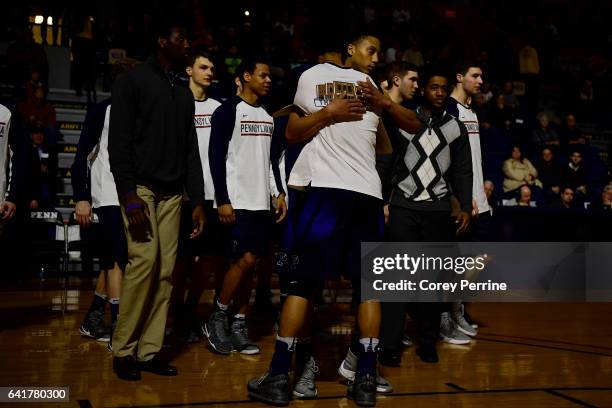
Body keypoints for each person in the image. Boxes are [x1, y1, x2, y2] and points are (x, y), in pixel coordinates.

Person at [247, 33, 419, 407]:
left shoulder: (359, 85)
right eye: (370, 50)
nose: (376, 58)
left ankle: (279, 375)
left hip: (328, 193)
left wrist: (382, 106)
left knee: (301, 286)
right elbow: (294, 130)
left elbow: (291, 129)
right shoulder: (319, 74)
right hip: (358, 196)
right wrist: (337, 113)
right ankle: (366, 381)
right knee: (366, 290)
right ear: (348, 51)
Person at [108, 19, 206, 381]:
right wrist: (129, 193)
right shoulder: (131, 81)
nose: (187, 43)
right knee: (144, 263)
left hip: (173, 193)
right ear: (162, 40)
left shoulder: (182, 91)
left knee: (166, 272)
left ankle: (149, 352)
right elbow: (117, 143)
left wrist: (196, 199)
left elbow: (191, 149)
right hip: (141, 189)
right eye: (181, 37)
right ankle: (124, 350)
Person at [376, 65, 473, 364]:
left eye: (444, 88)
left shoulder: (457, 127)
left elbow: (462, 170)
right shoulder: (405, 119)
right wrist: (382, 200)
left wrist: (466, 206)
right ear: (425, 90)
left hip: (437, 210)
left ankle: (428, 341)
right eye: (433, 87)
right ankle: (390, 345)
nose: (440, 92)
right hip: (404, 206)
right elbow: (386, 161)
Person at [204, 59, 287, 356]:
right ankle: (217, 317)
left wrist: (277, 193)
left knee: (250, 267)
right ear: (246, 76)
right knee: (244, 261)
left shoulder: (267, 116)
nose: (268, 80)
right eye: (263, 75)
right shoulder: (227, 111)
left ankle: (238, 323)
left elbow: (268, 162)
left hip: (261, 202)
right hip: (236, 202)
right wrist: (222, 199)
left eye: (270, 76)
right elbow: (215, 158)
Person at [72, 62, 133, 347]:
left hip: (132, 196)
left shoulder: (140, 112)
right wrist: (82, 197)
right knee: (118, 260)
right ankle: (120, 326)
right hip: (107, 195)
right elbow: (81, 155)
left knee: (114, 259)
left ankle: (94, 317)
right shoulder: (101, 111)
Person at [170, 50, 223, 343]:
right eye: (203, 67)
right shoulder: (176, 103)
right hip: (183, 196)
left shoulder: (218, 108)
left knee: (209, 260)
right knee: (180, 261)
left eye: (212, 68)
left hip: (212, 195)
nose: (209, 72)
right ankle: (176, 312)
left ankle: (190, 309)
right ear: (189, 70)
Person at [377, 61, 420, 367]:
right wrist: (382, 200)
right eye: (412, 80)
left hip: (395, 201)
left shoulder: (402, 116)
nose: (416, 85)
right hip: (378, 201)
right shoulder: (379, 113)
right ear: (395, 80)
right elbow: (379, 162)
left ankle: (387, 337)